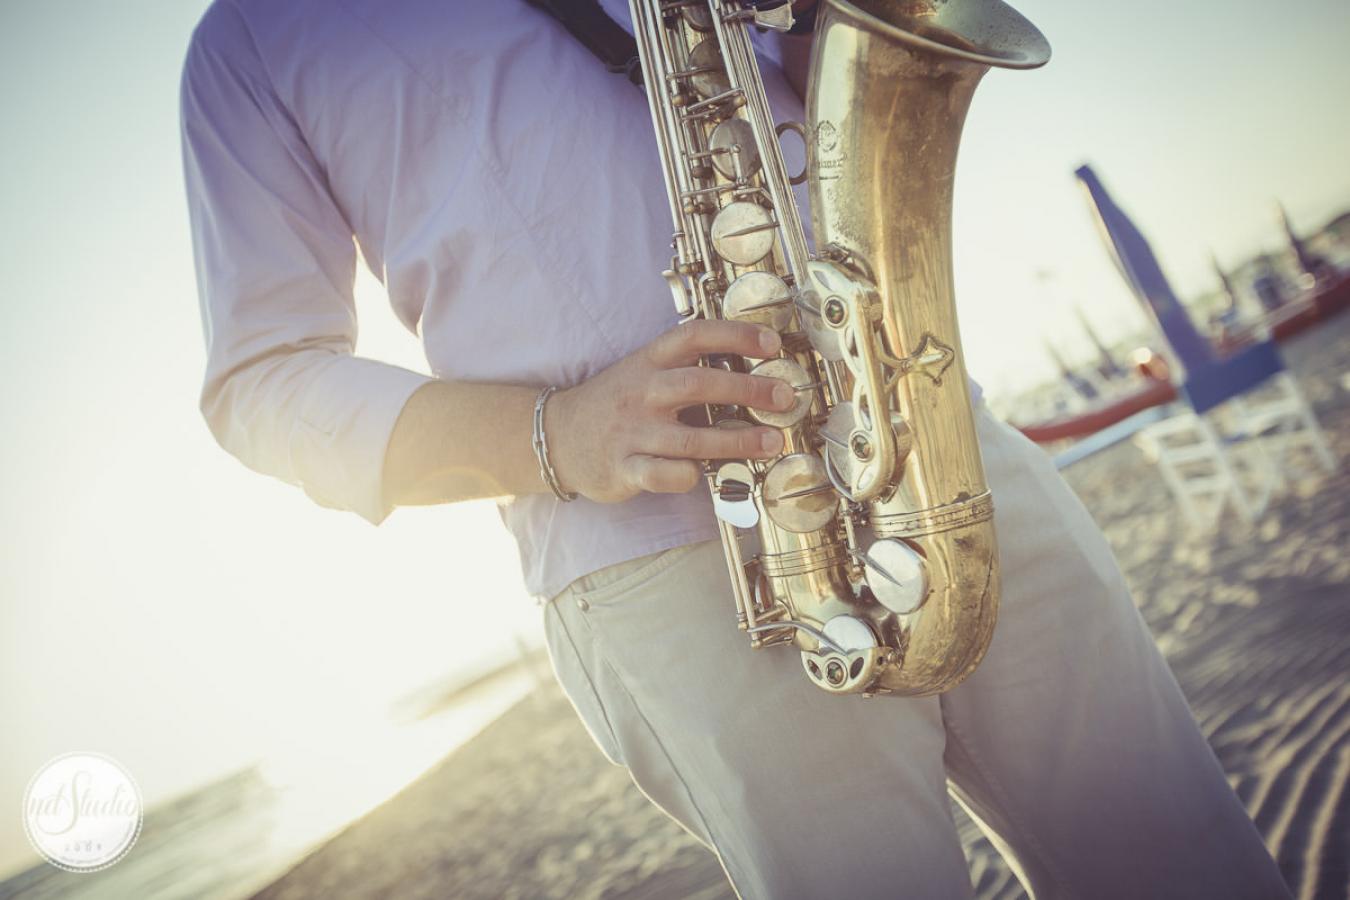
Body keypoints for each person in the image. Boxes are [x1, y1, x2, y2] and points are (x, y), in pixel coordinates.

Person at [180, 1, 1292, 896]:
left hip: (935, 436)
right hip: (662, 568)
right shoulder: (254, 40)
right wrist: (556, 433)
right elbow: (260, 385)